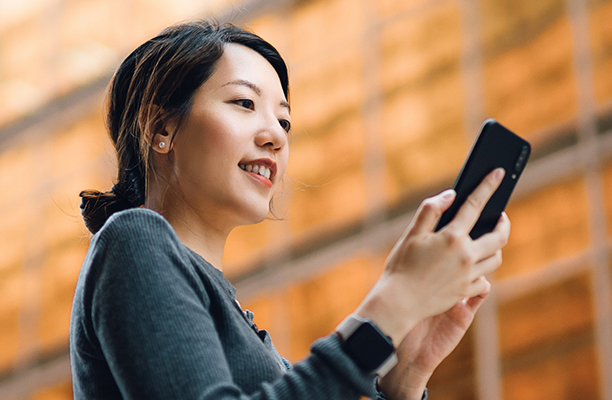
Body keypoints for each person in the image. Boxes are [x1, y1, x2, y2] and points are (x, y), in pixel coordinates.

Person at [71, 21, 510, 400]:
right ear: (161, 128)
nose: (276, 137)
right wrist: (392, 303)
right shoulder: (133, 239)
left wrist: (403, 377)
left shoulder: (253, 340)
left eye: (284, 121)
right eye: (244, 103)